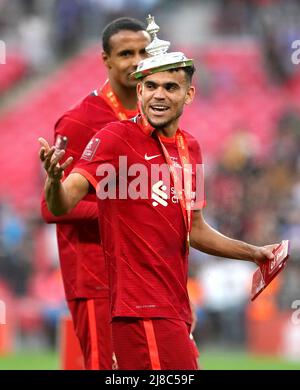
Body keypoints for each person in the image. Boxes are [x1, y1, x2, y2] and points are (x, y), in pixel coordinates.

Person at [39, 15, 279, 370]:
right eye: (150, 85)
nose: (158, 92)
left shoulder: (190, 149)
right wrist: (68, 186)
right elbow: (55, 206)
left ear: (189, 93)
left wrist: (254, 253)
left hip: (170, 298)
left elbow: (192, 227)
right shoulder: (105, 132)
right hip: (107, 286)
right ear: (137, 86)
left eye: (170, 86)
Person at [40, 17, 150, 370]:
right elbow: (50, 208)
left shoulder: (153, 115)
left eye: (143, 52)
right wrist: (122, 213)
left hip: (144, 277)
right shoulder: (78, 120)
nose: (136, 61)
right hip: (96, 277)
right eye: (125, 53)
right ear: (106, 59)